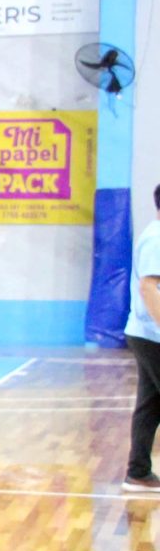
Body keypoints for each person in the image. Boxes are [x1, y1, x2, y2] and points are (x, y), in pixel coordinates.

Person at [125, 183, 160, 496]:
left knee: (150, 404)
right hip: (152, 335)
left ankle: (137, 473)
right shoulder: (157, 238)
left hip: (146, 334)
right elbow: (148, 287)